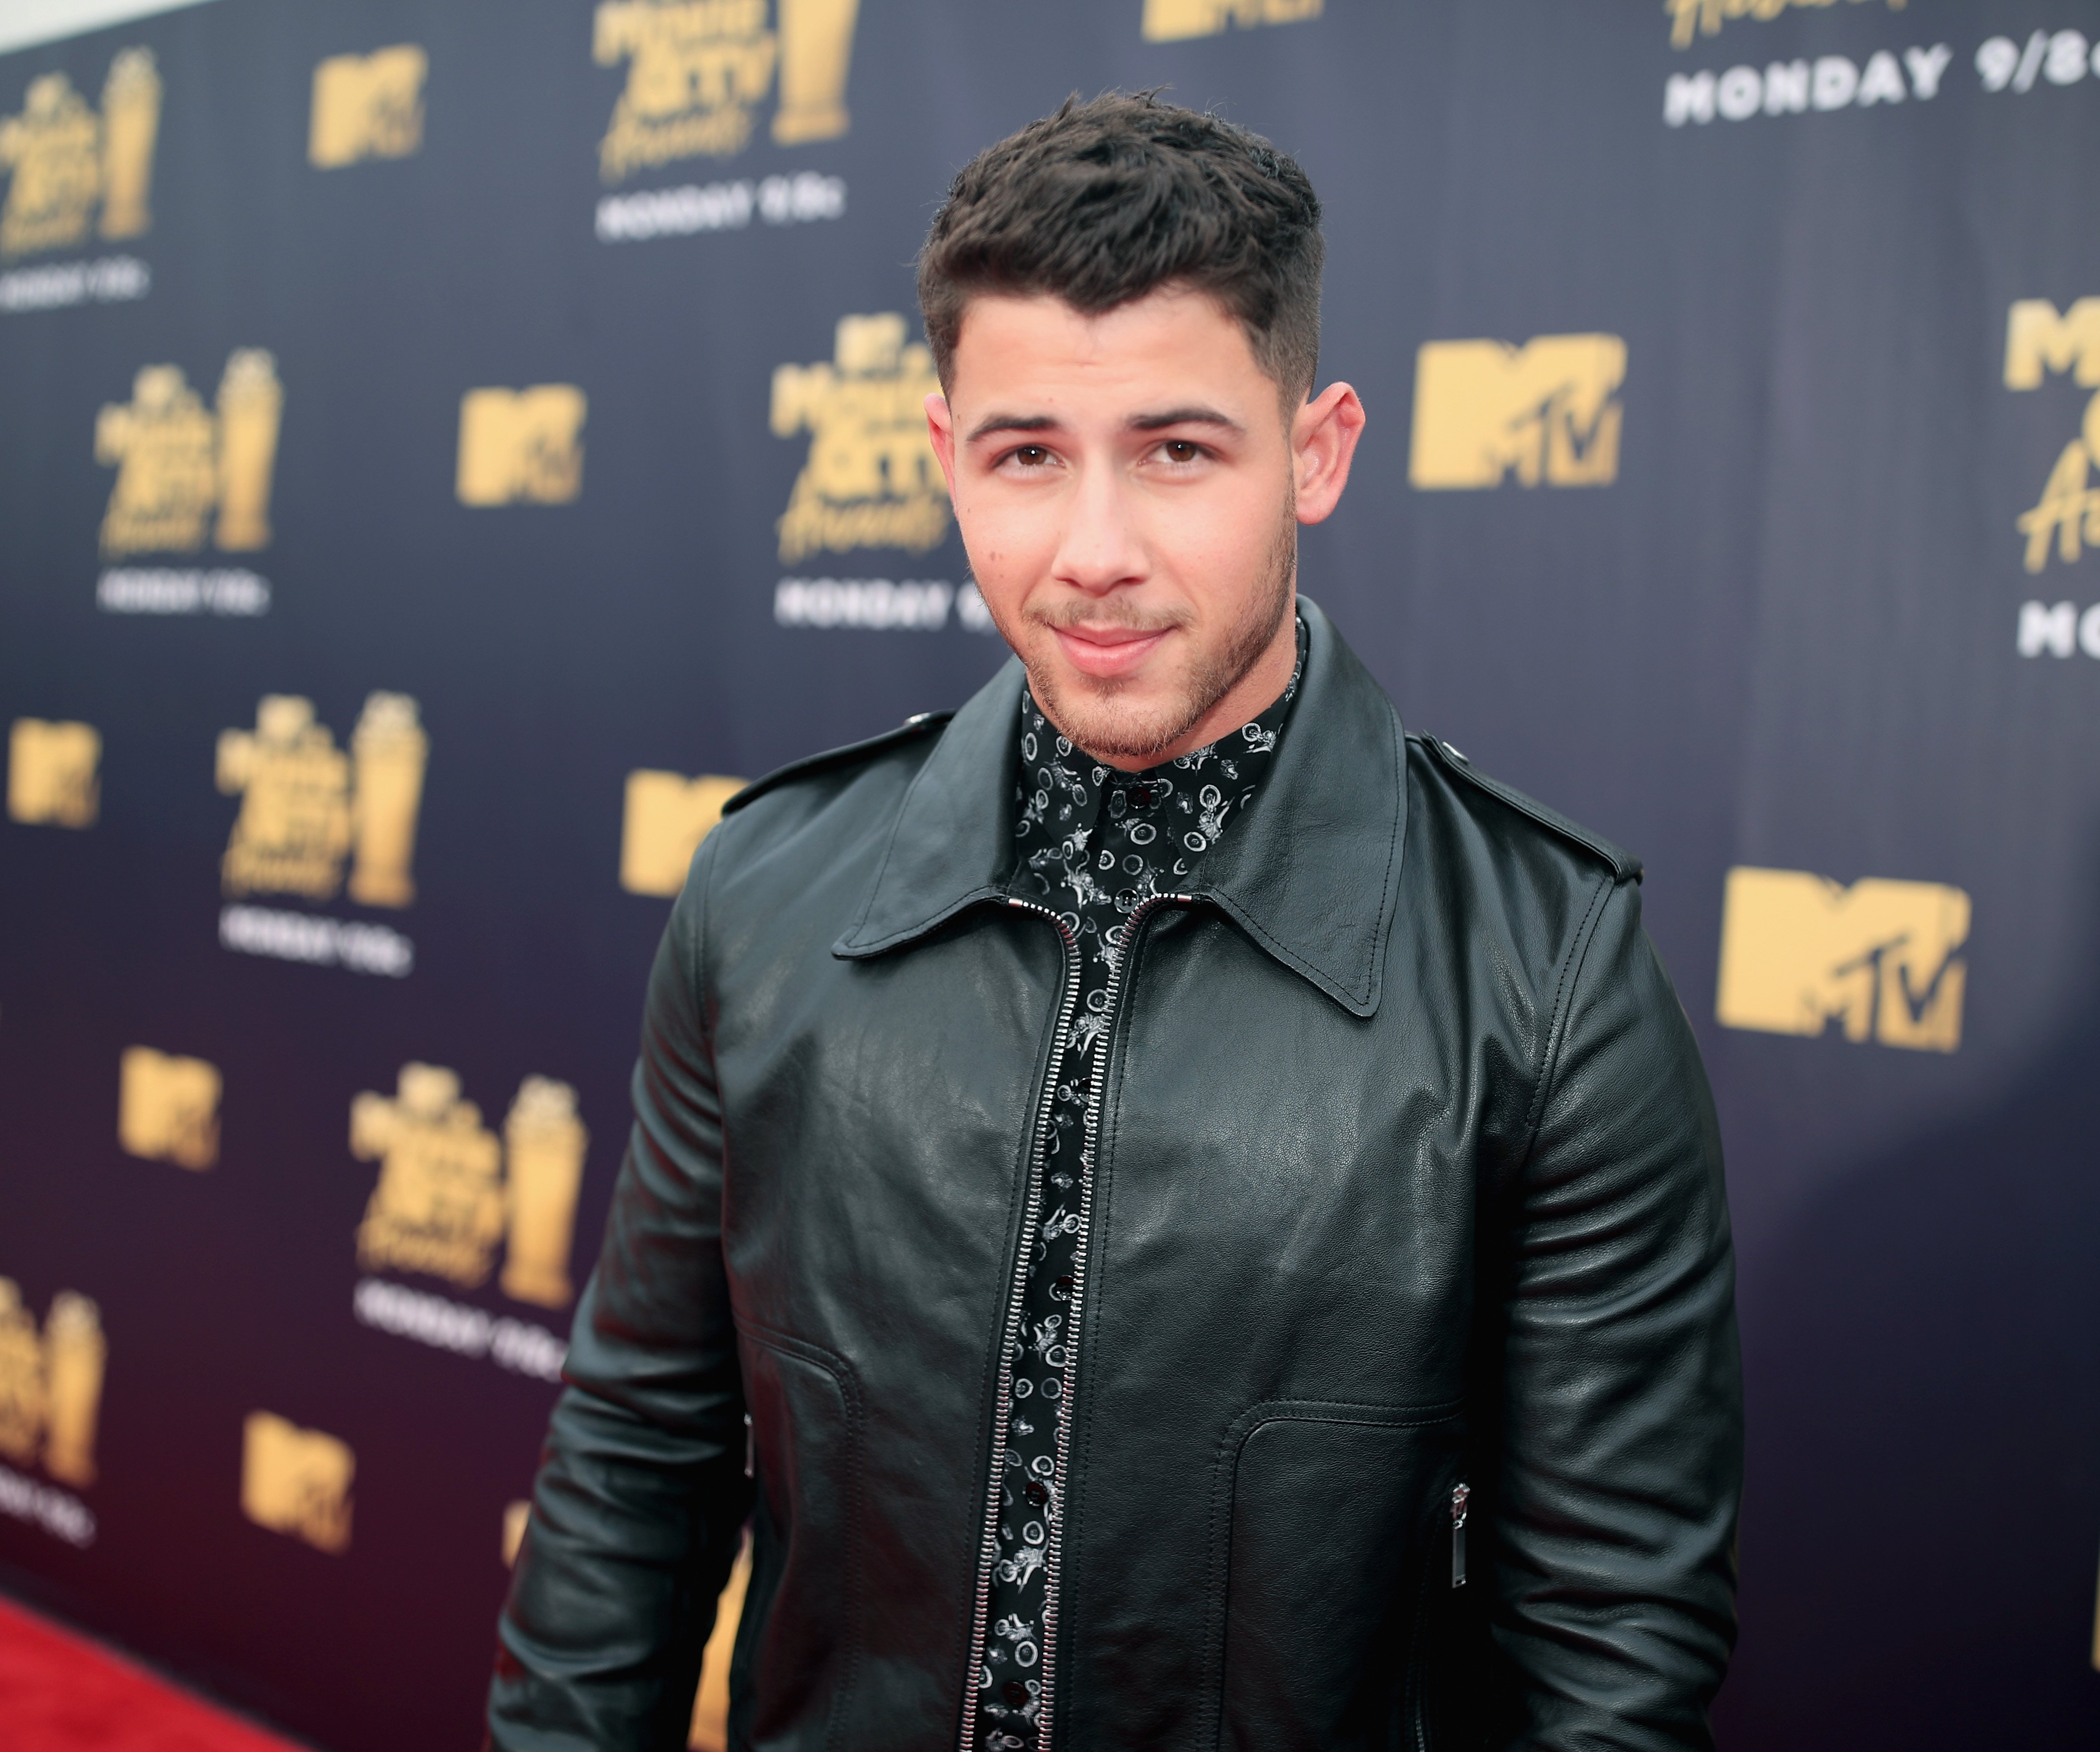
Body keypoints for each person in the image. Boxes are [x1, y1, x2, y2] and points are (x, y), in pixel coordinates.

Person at [490, 92, 1740, 1752]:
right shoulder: (768, 894)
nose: (1092, 554)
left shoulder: (1544, 968)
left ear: (1317, 450)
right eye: (1027, 456)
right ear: (945, 460)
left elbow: (1612, 1646)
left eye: (1176, 450)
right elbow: (636, 1466)